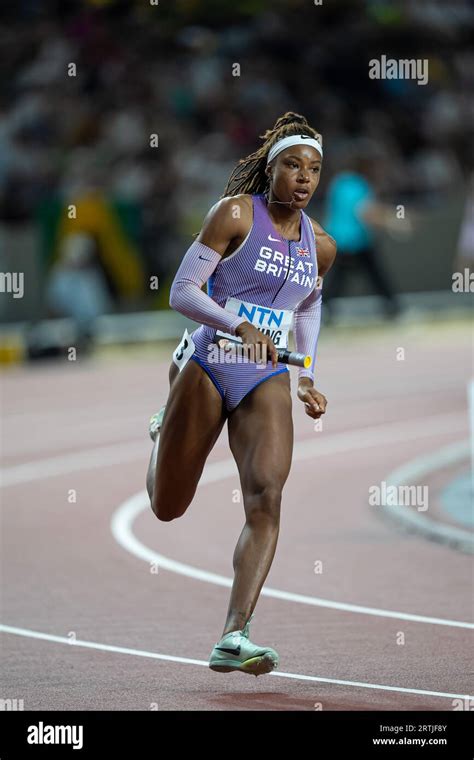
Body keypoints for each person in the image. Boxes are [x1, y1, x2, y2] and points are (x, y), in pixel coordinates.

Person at [146, 112, 336, 677]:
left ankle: (234, 634)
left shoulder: (320, 246)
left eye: (314, 170)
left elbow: (309, 305)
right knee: (166, 507)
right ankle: (164, 429)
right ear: (269, 169)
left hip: (266, 373)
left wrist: (307, 375)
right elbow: (182, 292)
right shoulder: (233, 214)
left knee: (267, 497)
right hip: (209, 358)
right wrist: (236, 326)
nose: (304, 178)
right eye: (293, 166)